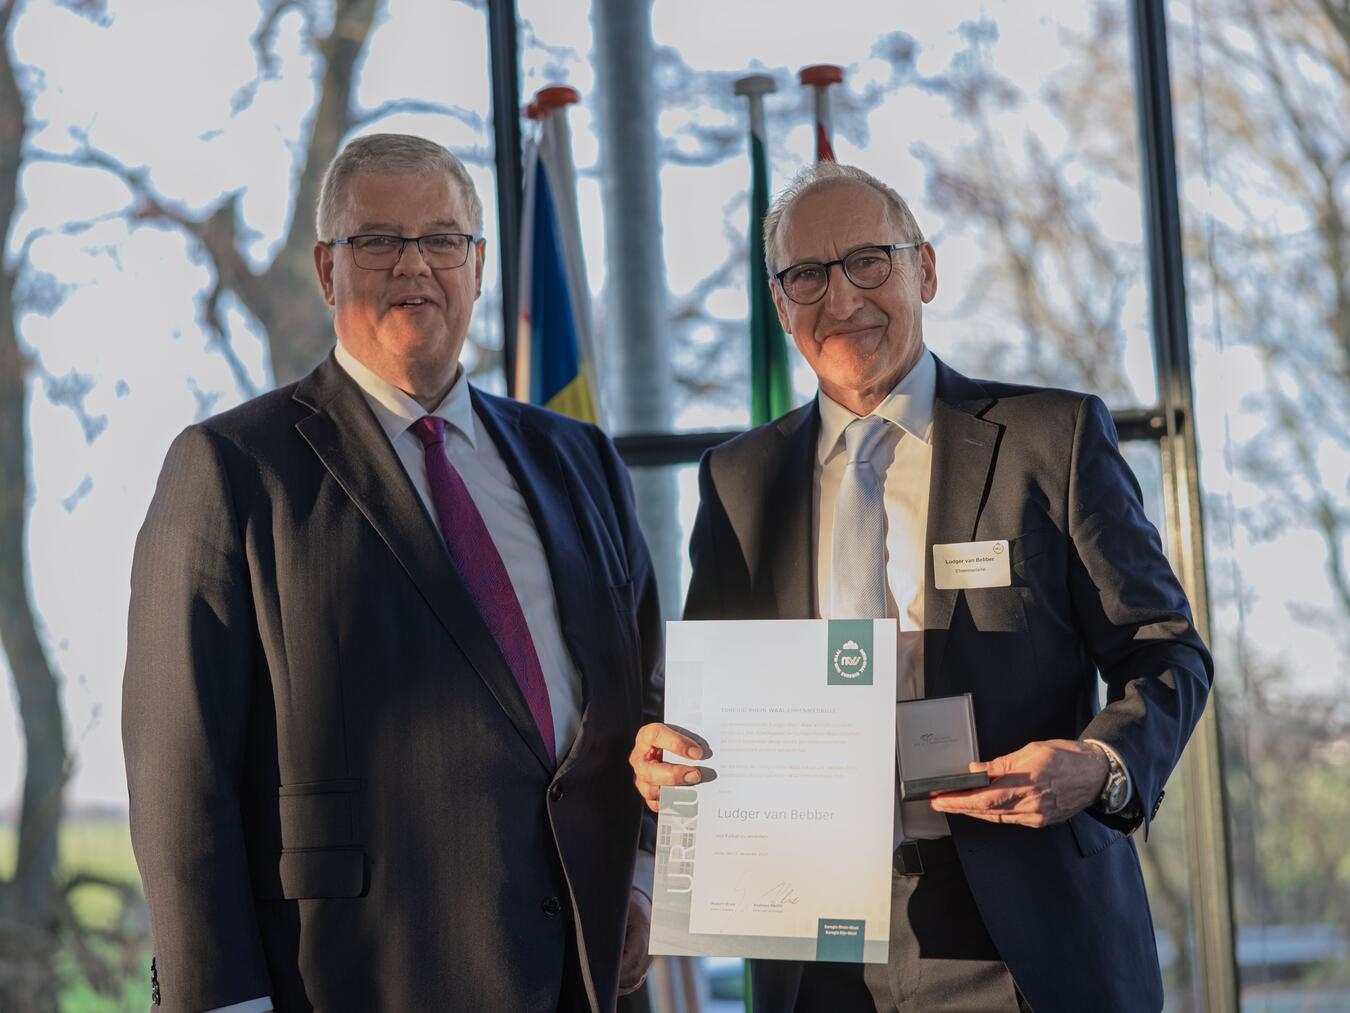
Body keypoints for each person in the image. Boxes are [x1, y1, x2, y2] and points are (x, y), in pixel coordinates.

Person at [630, 162, 1212, 1013]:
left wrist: (1099, 764)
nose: (841, 299)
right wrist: (660, 755)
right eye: (806, 275)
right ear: (780, 302)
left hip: (1025, 938)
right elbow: (701, 696)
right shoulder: (738, 481)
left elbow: (1165, 648)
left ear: (925, 269)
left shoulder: (1049, 439)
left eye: (869, 261)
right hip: (812, 946)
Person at [124, 133, 662, 1013]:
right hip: (357, 978)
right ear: (328, 268)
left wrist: (640, 873)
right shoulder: (231, 468)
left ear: (479, 266)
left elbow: (643, 693)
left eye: (443, 239)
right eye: (378, 240)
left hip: (588, 973)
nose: (414, 265)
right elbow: (181, 775)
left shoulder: (581, 459)